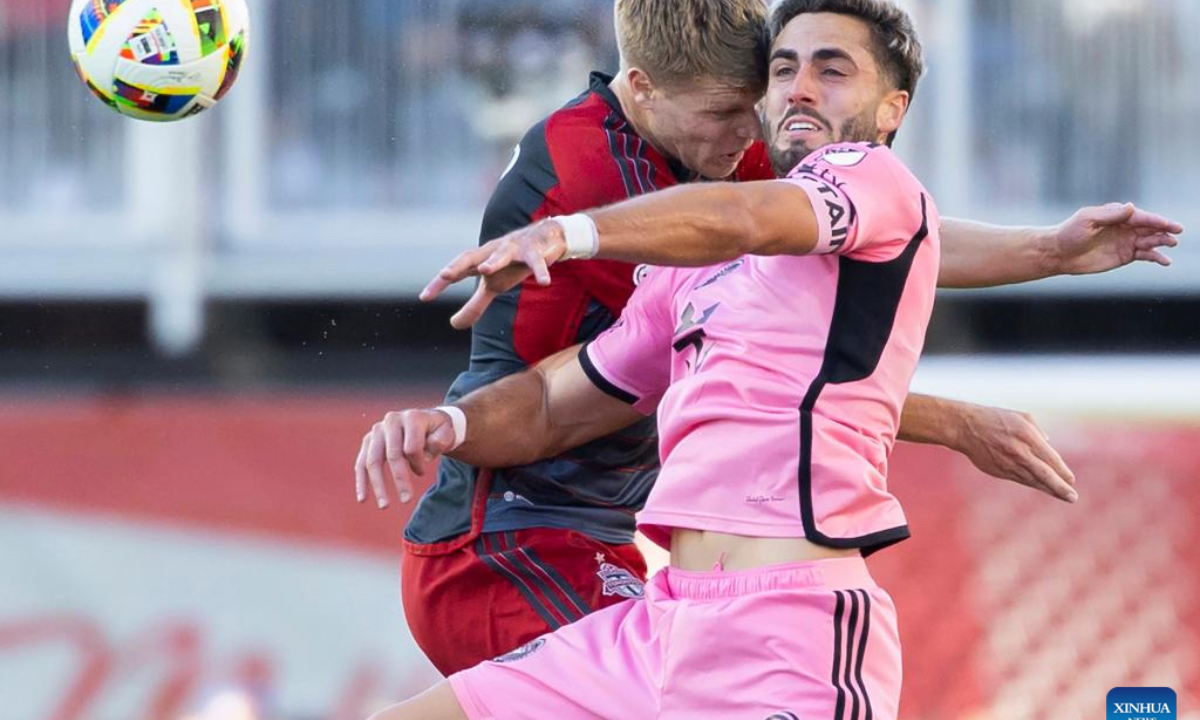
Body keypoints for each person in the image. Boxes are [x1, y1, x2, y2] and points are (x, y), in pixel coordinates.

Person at [364, 2, 1178, 717]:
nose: (771, 109)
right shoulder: (655, 226)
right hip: (548, 549)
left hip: (785, 634)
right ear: (643, 88)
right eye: (783, 71)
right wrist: (440, 421)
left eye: (829, 71)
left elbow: (801, 226)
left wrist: (1046, 249)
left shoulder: (830, 181)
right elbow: (552, 403)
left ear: (893, 108)